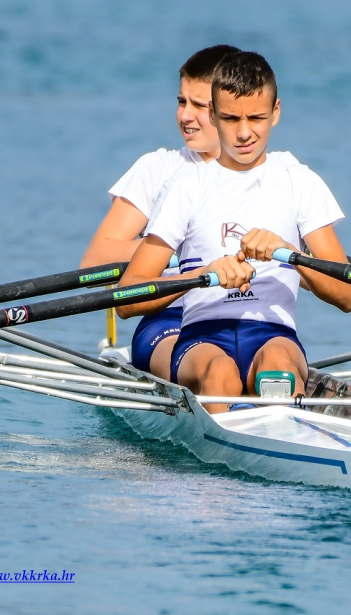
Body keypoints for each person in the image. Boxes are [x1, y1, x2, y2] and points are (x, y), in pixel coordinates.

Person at [116, 51, 351, 412]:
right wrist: (202, 275)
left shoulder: (299, 182)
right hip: (202, 339)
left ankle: (276, 436)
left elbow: (346, 294)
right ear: (212, 115)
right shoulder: (185, 187)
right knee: (220, 373)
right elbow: (127, 299)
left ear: (276, 112)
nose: (244, 132)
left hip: (274, 334)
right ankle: (227, 451)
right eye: (230, 118)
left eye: (257, 118)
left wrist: (290, 253)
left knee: (278, 364)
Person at [80, 44, 240, 378]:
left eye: (199, 105)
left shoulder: (272, 176)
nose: (185, 115)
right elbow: (95, 261)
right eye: (182, 102)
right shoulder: (158, 168)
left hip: (248, 318)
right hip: (169, 319)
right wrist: (174, 244)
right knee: (210, 366)